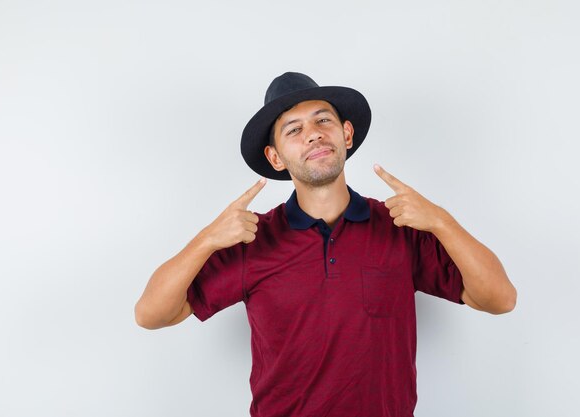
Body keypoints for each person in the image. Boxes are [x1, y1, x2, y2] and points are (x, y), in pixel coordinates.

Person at [134, 72, 517, 417]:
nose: (314, 134)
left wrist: (441, 221)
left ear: (346, 135)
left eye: (323, 120)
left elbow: (499, 299)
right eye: (294, 130)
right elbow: (152, 314)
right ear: (275, 157)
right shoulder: (252, 241)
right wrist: (205, 240)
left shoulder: (400, 227)